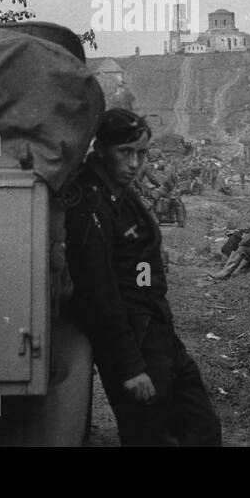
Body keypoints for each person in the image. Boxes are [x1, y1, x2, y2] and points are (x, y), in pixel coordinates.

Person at [62, 108, 221, 447]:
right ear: (101, 150)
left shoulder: (118, 190)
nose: (135, 163)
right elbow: (98, 295)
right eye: (125, 152)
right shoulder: (90, 205)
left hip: (156, 328)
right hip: (131, 338)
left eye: (142, 153)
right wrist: (131, 368)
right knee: (152, 435)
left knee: (201, 427)